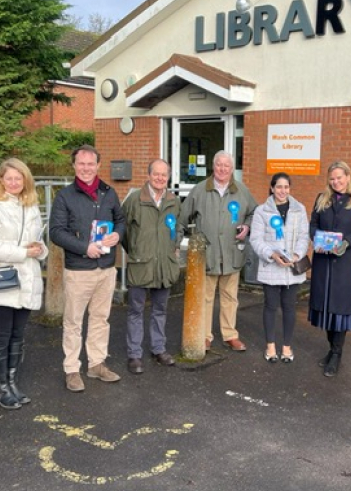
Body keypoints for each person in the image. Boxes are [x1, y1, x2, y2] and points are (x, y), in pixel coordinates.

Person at [50, 145, 126, 392]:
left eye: (90, 164)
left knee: (101, 318)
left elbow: (121, 220)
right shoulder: (64, 196)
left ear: (97, 165)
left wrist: (117, 234)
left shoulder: (109, 193)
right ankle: (72, 369)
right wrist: (85, 247)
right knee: (73, 321)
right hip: (79, 269)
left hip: (106, 268)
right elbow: (56, 232)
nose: (86, 168)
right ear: (74, 165)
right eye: (81, 164)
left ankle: (96, 364)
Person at [0, 158, 48, 409]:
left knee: (18, 335)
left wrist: (40, 250)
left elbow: (37, 240)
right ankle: (1, 387)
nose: (15, 182)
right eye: (10, 178)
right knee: (2, 335)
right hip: (2, 280)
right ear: (1, 180)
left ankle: (13, 382)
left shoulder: (31, 206)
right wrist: (22, 252)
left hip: (27, 277)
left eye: (19, 178)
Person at [178, 151, 257, 352]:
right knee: (205, 298)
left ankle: (230, 334)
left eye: (227, 166)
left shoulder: (241, 190)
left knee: (230, 298)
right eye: (219, 165)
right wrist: (178, 243)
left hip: (232, 255)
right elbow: (182, 217)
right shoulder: (199, 190)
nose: (223, 169)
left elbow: (254, 212)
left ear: (232, 169)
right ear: (214, 167)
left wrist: (247, 226)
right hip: (208, 255)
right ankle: (205, 336)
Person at [309, 161, 351, 377]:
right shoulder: (321, 199)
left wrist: (346, 241)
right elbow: (313, 224)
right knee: (325, 306)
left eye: (339, 177)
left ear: (348, 176)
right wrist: (317, 238)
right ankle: (331, 348)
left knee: (340, 308)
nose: (336, 182)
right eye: (332, 178)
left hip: (345, 262)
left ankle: (336, 353)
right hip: (323, 261)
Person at [121, 159, 181, 374]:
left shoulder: (173, 200)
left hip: (164, 265)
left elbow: (179, 226)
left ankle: (158, 349)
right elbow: (123, 229)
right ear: (148, 175)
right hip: (141, 265)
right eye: (156, 174)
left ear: (168, 177)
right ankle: (134, 355)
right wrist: (136, 250)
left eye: (164, 175)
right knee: (136, 310)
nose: (160, 178)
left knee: (160, 310)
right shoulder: (135, 199)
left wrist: (173, 246)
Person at [250, 172, 310, 363]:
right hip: (271, 267)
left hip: (292, 268)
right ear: (272, 188)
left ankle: (286, 347)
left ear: (289, 189)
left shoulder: (299, 209)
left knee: (289, 308)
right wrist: (272, 254)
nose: (282, 191)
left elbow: (303, 236)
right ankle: (270, 346)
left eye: (286, 187)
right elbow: (256, 239)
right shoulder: (261, 211)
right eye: (279, 187)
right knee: (270, 306)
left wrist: (296, 255)